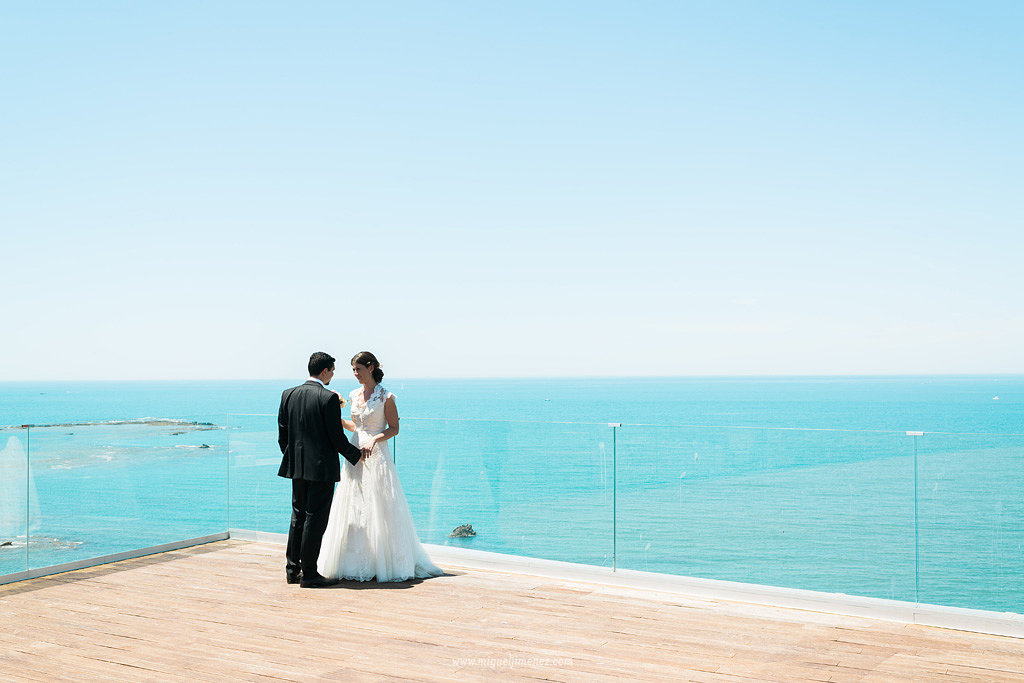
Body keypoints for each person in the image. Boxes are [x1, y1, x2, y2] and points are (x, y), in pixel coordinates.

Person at [318, 351, 443, 582]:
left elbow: (394, 428)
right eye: (353, 370)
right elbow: (355, 426)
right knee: (354, 504)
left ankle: (384, 561)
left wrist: (375, 440)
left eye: (359, 369)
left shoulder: (387, 397)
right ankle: (352, 562)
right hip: (355, 453)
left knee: (381, 505)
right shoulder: (353, 395)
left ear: (371, 368)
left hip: (377, 455)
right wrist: (333, 416)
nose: (356, 374)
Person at [278, 352, 366, 588]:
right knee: (315, 519)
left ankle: (291, 570)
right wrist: (358, 456)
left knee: (298, 516)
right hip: (321, 469)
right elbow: (336, 439)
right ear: (325, 371)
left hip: (296, 468)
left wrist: (296, 459)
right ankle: (309, 574)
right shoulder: (327, 398)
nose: (333, 375)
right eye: (333, 371)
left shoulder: (288, 395)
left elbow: (283, 436)